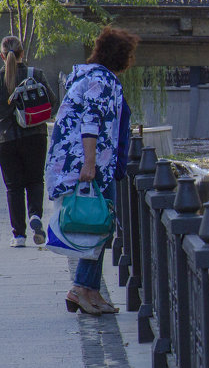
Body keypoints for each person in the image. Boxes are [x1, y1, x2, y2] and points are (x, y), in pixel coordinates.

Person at [45, 26, 139, 315]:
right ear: (121, 57)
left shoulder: (86, 75)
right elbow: (91, 121)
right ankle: (80, 290)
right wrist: (89, 163)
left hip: (79, 162)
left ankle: (91, 292)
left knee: (98, 226)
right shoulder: (102, 80)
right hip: (89, 165)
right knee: (97, 225)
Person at [0, 35, 57, 247]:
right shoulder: (37, 74)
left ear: (2, 56)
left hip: (5, 139)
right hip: (36, 135)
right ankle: (35, 215)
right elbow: (53, 102)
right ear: (23, 53)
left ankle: (19, 236)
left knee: (13, 187)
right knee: (35, 180)